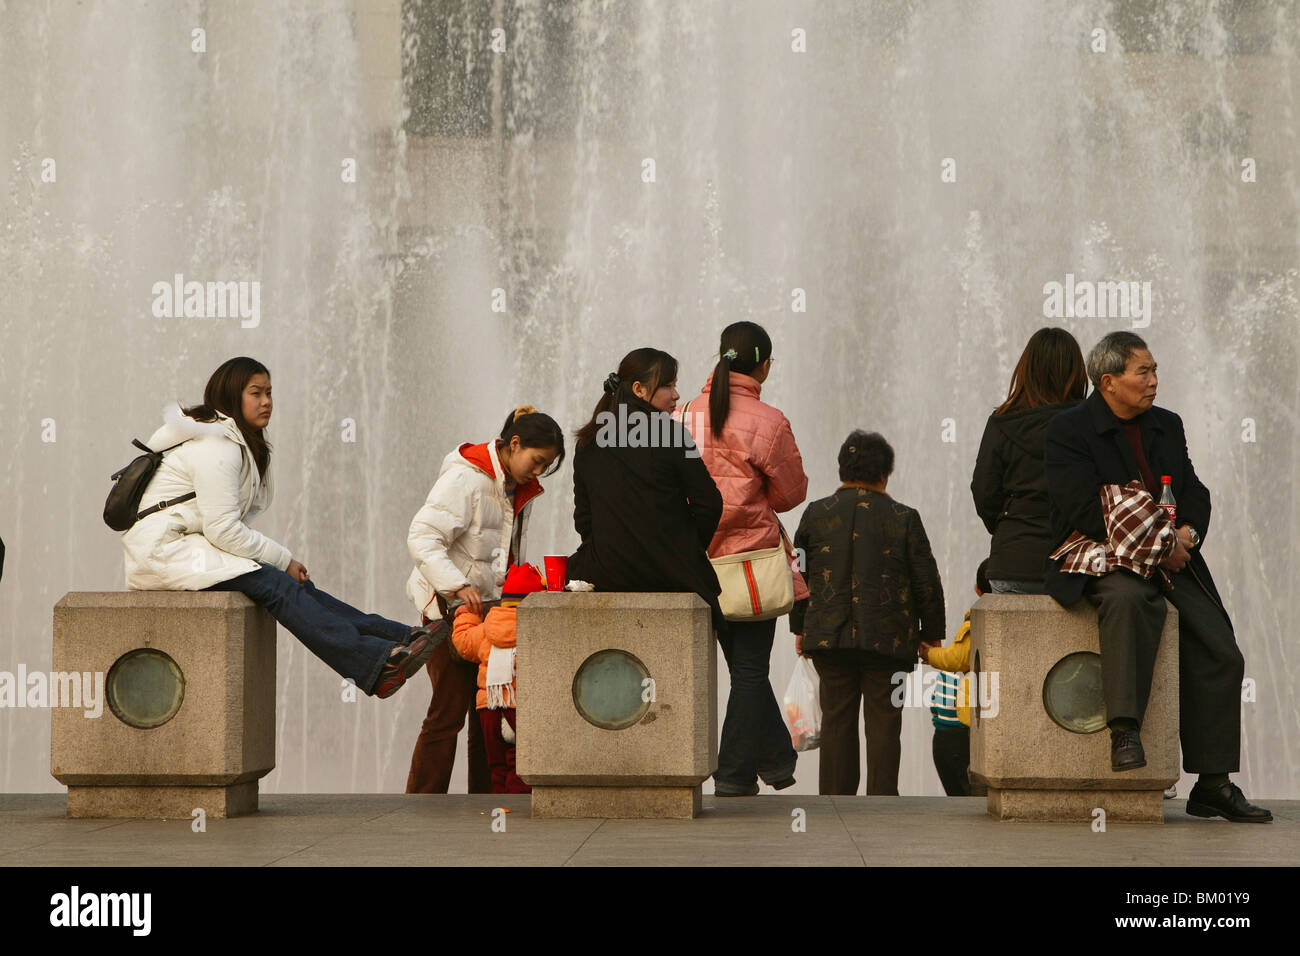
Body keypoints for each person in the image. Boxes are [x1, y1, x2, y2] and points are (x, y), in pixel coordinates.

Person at [1044, 331, 1270, 822]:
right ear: (1108, 382)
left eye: (1154, 371)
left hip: (1172, 559)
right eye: (1142, 372)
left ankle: (1212, 783)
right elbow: (1081, 509)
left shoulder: (1167, 425)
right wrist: (1158, 543)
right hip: (1106, 556)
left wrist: (1185, 533)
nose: (1153, 381)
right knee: (1128, 604)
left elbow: (1194, 490)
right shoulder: (1069, 430)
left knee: (1221, 649)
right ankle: (1124, 730)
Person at [122, 356, 440, 698]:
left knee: (292, 586)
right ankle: (375, 666)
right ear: (232, 396)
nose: (266, 402)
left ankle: (398, 640)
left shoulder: (231, 441)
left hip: (187, 548)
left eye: (269, 393)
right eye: (256, 393)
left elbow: (224, 527)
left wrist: (281, 562)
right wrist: (283, 557)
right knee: (277, 583)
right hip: (164, 553)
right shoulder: (216, 446)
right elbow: (223, 530)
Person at [676, 323, 810, 796]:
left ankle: (775, 760)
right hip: (750, 565)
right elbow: (791, 493)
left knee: (743, 672)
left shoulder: (683, 414)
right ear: (764, 366)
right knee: (751, 671)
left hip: (695, 565)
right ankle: (733, 775)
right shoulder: (769, 421)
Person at [405, 405, 564, 794]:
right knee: (447, 712)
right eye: (537, 460)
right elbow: (422, 537)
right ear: (514, 443)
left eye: (546, 466)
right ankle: (422, 804)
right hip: (446, 612)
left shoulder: (514, 487)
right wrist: (457, 587)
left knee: (487, 710)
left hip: (490, 616)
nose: (538, 471)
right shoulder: (467, 478)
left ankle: (484, 800)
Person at [790, 430, 945, 795]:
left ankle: (835, 803)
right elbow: (927, 581)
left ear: (842, 470)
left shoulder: (816, 514)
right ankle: (882, 805)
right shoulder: (904, 517)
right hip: (888, 641)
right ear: (884, 475)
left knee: (837, 724)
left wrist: (801, 627)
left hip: (830, 637)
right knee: (885, 725)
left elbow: (798, 574)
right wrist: (931, 633)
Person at [567, 347, 724, 630]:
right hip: (670, 574)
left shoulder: (588, 442)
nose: (676, 394)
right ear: (639, 389)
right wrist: (683, 547)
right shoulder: (673, 434)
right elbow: (709, 503)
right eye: (668, 385)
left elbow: (584, 519)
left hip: (604, 573)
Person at [971, 327, 1087, 594]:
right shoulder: (1089, 424)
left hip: (1013, 563)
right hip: (1075, 566)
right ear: (1075, 370)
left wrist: (1009, 528)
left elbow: (983, 491)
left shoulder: (1002, 422)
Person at [449, 562, 547, 794]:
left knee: (497, 765)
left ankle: (501, 806)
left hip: (490, 710)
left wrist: (467, 614)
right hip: (520, 711)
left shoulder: (486, 629)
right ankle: (517, 804)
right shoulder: (538, 628)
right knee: (520, 763)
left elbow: (462, 641)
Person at [921, 561, 989, 797]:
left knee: (963, 794)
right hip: (954, 732)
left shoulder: (976, 624)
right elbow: (959, 658)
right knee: (966, 794)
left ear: (977, 590)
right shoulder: (981, 626)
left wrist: (929, 653)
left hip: (952, 734)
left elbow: (955, 658)